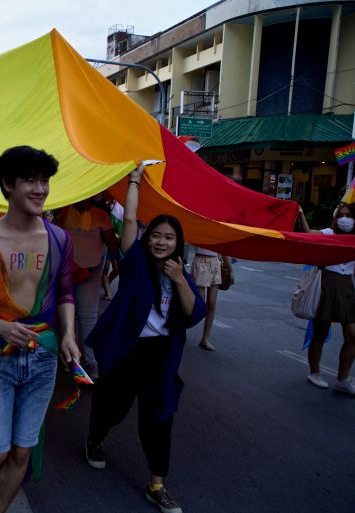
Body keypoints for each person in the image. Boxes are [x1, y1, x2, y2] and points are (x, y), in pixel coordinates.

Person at [0, 146, 79, 513]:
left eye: (45, 181)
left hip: (43, 357)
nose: (40, 189)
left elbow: (65, 292)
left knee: (22, 450)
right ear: (8, 185)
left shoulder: (60, 239)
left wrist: (68, 335)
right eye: (30, 180)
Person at [84, 164, 206, 513]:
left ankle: (157, 484)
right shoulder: (135, 261)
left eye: (168, 237)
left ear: (178, 243)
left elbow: (192, 314)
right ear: (147, 237)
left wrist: (179, 280)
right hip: (127, 349)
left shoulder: (180, 274)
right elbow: (130, 219)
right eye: (156, 235)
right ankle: (95, 439)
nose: (161, 242)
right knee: (112, 406)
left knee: (159, 417)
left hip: (161, 356)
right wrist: (135, 181)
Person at [56, 195, 116, 379]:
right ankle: (69, 359)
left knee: (87, 317)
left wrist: (122, 263)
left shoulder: (100, 215)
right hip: (66, 273)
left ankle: (91, 362)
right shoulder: (64, 212)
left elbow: (112, 244)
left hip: (91, 272)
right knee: (66, 317)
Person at [298, 203, 355, 395]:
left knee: (352, 336)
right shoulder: (329, 233)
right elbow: (308, 235)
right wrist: (300, 213)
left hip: (347, 288)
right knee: (320, 333)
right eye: (341, 215)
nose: (345, 219)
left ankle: (342, 378)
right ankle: (314, 372)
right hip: (327, 286)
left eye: (349, 215)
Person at [190, 247, 233, 351]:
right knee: (199, 306)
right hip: (200, 262)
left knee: (211, 304)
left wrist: (230, 270)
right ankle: (181, 328)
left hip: (216, 263)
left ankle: (205, 339)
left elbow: (225, 249)